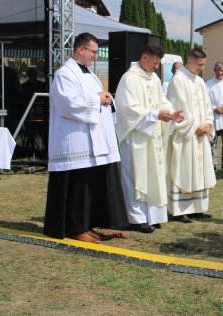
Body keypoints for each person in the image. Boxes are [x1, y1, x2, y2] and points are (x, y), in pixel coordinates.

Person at [43, 32, 129, 243]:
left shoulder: (89, 75)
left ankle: (87, 225)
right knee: (77, 185)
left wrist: (106, 99)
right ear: (81, 49)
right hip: (73, 141)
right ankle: (75, 227)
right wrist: (97, 99)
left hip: (91, 140)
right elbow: (68, 104)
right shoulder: (65, 74)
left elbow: (95, 100)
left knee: (90, 185)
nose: (95, 56)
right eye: (93, 52)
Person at [115, 45, 184, 234]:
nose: (156, 67)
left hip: (152, 137)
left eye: (158, 64)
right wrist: (156, 114)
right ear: (144, 58)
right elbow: (128, 109)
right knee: (137, 177)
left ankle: (153, 216)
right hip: (135, 137)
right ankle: (136, 218)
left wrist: (171, 113)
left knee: (154, 174)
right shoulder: (129, 78)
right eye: (154, 63)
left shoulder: (153, 78)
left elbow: (161, 101)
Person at [166, 48, 216, 223]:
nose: (201, 68)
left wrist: (208, 123)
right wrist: (196, 127)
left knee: (200, 170)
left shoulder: (200, 82)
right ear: (190, 61)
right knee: (185, 169)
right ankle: (180, 210)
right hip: (186, 136)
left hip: (201, 135)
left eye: (203, 64)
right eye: (199, 64)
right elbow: (179, 108)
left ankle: (198, 208)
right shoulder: (178, 81)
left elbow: (208, 106)